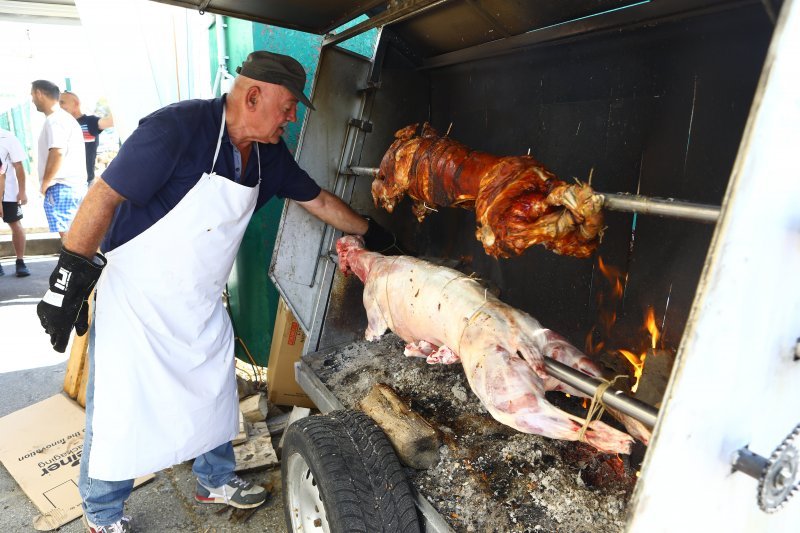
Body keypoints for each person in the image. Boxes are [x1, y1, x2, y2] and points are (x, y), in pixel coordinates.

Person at [35, 51, 398, 533]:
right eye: (288, 107)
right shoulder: (177, 129)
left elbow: (319, 200)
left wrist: (375, 234)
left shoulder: (268, 155)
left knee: (213, 390)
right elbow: (105, 194)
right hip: (138, 296)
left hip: (199, 296)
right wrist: (68, 281)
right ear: (253, 96)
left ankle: (215, 480)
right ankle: (102, 512)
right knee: (121, 403)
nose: (291, 119)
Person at [31, 80, 87, 240]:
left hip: (62, 186)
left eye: (32, 95)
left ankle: (79, 265)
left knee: (70, 238)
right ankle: (84, 264)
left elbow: (58, 151)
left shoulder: (55, 120)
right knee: (77, 235)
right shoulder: (63, 118)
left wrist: (46, 182)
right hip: (72, 185)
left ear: (39, 93)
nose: (32, 100)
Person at [59, 91, 114, 185]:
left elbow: (111, 121)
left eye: (62, 102)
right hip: (65, 182)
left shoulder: (90, 122)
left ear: (76, 103)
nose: (59, 106)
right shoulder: (60, 125)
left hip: (85, 182)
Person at [0, 127, 30, 277]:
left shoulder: (8, 137)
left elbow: (18, 166)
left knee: (16, 225)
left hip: (9, 193)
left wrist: (22, 191)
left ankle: (20, 261)